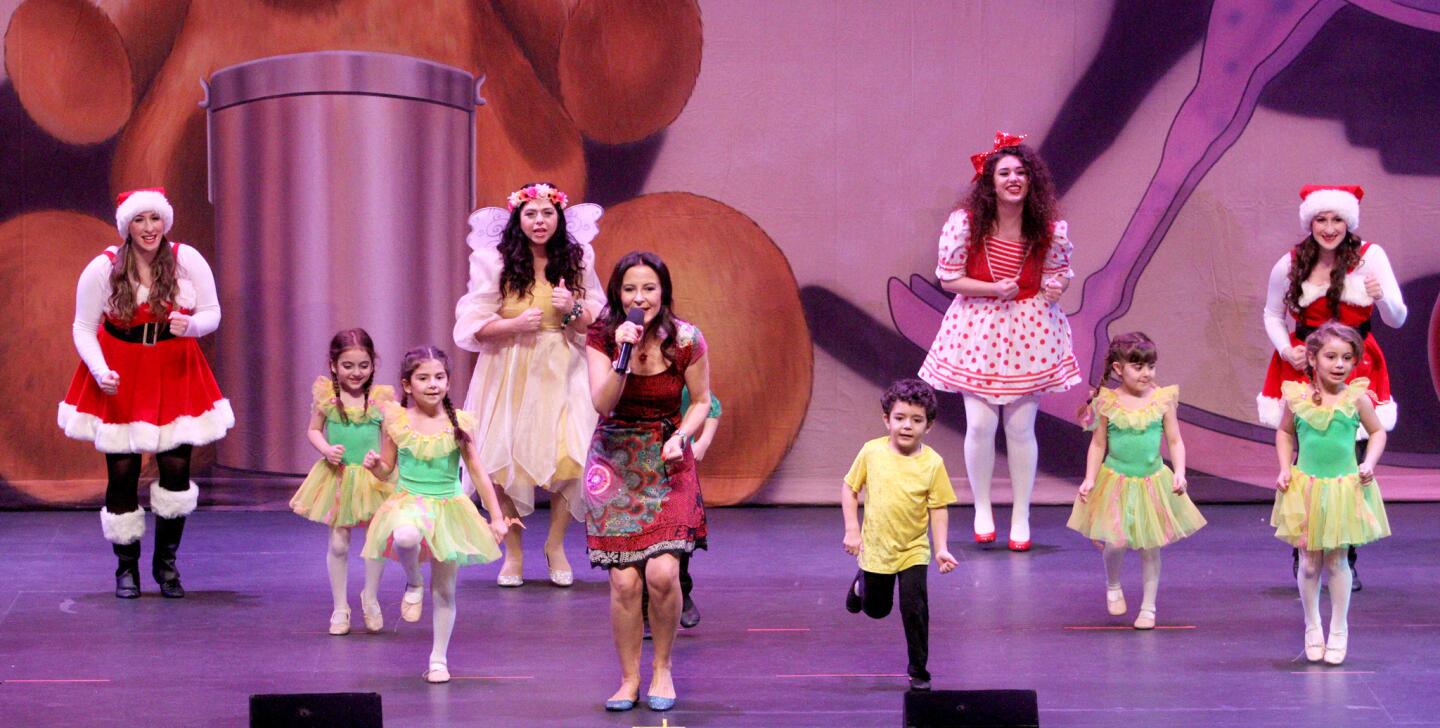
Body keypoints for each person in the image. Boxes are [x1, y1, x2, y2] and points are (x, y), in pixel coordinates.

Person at [58, 187, 234, 599]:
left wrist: (190, 326)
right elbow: (83, 328)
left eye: (155, 219)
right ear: (127, 226)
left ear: (165, 221)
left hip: (174, 369)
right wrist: (100, 370)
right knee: (123, 472)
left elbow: (212, 312)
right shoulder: (103, 268)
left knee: (175, 470)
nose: (149, 227)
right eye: (140, 220)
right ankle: (126, 568)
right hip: (123, 371)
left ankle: (166, 564)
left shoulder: (186, 259)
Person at [918, 132, 1081, 551]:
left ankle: (1022, 515)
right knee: (980, 424)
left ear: (1032, 181)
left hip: (1029, 329)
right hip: (979, 328)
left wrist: (1055, 285)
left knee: (1021, 426)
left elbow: (1057, 273)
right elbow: (948, 277)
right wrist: (992, 290)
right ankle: (983, 508)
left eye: (1021, 172)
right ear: (989, 181)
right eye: (1005, 172)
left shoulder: (1047, 227)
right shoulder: (967, 224)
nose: (1014, 179)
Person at [453, 183, 605, 587]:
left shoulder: (577, 258)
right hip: (511, 366)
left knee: (571, 458)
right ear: (518, 219)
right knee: (504, 461)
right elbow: (472, 326)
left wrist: (572, 309)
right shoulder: (496, 261)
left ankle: (555, 545)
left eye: (547, 213)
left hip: (563, 366)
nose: (540, 221)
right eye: (531, 214)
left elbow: (595, 316)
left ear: (559, 217)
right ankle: (514, 553)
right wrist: (513, 324)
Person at [1259, 184, 1405, 591]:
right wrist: (1287, 349)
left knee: (1350, 460)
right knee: (1308, 458)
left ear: (1349, 221)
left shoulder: (1370, 257)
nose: (1329, 227)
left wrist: (1383, 298)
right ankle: (1303, 551)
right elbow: (1271, 314)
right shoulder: (1290, 262)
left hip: (1357, 364)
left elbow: (1398, 316)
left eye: (1337, 218)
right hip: (1305, 364)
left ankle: (1346, 556)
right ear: (1310, 222)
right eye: (1321, 219)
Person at [583, 252, 710, 712]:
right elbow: (603, 403)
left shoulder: (686, 339)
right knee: (624, 585)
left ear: (664, 292)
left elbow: (701, 401)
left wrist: (681, 435)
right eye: (630, 289)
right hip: (614, 460)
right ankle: (628, 677)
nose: (640, 297)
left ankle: (663, 668)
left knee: (661, 573)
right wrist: (622, 355)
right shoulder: (601, 336)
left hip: (666, 457)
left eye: (649, 288)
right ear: (619, 294)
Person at [360, 347, 512, 682]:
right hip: (410, 501)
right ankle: (413, 581)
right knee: (405, 535)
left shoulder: (458, 423)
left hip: (448, 508)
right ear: (407, 384)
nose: (433, 384)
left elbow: (479, 472)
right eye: (423, 378)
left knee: (445, 590)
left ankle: (438, 658)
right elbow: (388, 470)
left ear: (448, 381)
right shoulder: (396, 421)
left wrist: (497, 517)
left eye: (439, 377)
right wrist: (376, 467)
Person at [1066, 333, 1206, 630]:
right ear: (1118, 369)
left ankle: (1148, 607)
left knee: (1150, 546)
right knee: (1115, 542)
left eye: (1151, 366)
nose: (1146, 373)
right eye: (1138, 367)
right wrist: (1090, 479)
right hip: (1116, 481)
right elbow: (1098, 444)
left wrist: (1180, 471)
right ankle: (1113, 584)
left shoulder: (1162, 400)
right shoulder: (1107, 401)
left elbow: (1175, 440)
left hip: (1152, 482)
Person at [1272, 323, 1390, 666]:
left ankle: (1339, 629)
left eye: (1347, 358)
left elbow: (1378, 431)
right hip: (1307, 487)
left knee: (1338, 559)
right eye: (1331, 356)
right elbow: (1284, 434)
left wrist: (1368, 462)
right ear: (1312, 358)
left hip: (1343, 488)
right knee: (1308, 562)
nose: (1340, 364)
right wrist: (1284, 467)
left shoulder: (1357, 398)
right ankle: (1312, 625)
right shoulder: (1297, 399)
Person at [841, 378, 957, 692]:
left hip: (913, 549)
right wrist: (853, 529)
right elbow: (850, 489)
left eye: (917, 420)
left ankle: (918, 669)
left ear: (929, 426)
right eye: (900, 418)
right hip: (877, 548)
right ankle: (859, 583)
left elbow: (939, 507)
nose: (907, 426)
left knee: (915, 607)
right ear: (887, 420)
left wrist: (941, 548)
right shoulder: (871, 452)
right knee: (877, 610)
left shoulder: (933, 464)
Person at [289, 328, 395, 635]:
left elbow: (391, 440)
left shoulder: (380, 400)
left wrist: (380, 462)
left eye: (363, 365)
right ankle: (340, 607)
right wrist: (325, 449)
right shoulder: (327, 398)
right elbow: (313, 430)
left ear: (373, 364)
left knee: (376, 541)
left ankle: (371, 598)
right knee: (338, 543)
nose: (356, 372)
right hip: (339, 476)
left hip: (372, 479)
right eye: (348, 366)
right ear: (334, 365)